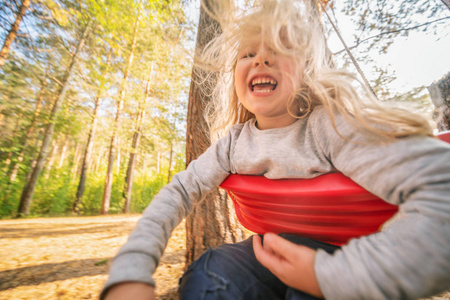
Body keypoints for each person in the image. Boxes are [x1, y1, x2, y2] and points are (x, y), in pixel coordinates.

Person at [101, 0, 450, 299]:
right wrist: (130, 270)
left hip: (342, 259)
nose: (260, 59)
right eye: (248, 53)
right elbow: (179, 191)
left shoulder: (328, 129)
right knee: (211, 270)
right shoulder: (234, 144)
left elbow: (442, 189)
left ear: (305, 73)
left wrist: (333, 274)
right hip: (271, 254)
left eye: (280, 49)